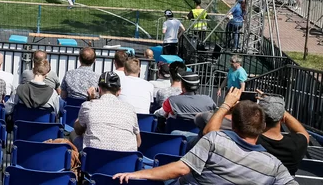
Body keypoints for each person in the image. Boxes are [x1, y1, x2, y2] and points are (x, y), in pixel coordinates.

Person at [114, 91, 296, 185]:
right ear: (262, 128)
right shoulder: (274, 166)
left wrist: (135, 174)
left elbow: (180, 169)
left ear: (233, 125)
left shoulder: (216, 140)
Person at [74, 71, 141, 152]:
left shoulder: (88, 106)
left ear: (99, 89)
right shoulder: (130, 109)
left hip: (94, 160)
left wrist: (90, 99)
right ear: (119, 91)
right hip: (125, 161)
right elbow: (138, 142)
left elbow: (78, 130)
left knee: (72, 134)